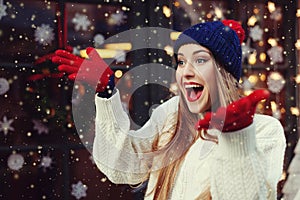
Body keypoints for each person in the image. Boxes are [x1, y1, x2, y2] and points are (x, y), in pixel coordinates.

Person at [52, 19, 286, 199]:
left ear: (224, 72)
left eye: (200, 60)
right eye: (181, 61)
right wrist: (105, 93)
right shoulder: (171, 114)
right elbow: (123, 165)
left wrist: (237, 139)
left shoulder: (265, 130)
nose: (186, 71)